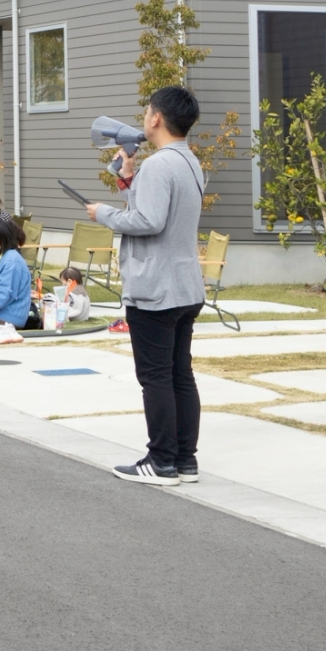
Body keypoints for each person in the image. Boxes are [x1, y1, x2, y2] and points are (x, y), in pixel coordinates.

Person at [86, 84, 208, 486]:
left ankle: (160, 462)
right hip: (185, 285)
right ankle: (184, 460)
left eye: (146, 112)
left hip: (156, 288)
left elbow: (148, 221)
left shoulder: (158, 165)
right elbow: (159, 212)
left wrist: (103, 213)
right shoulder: (188, 161)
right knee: (179, 374)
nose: (143, 118)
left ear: (156, 118)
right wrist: (127, 179)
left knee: (155, 377)